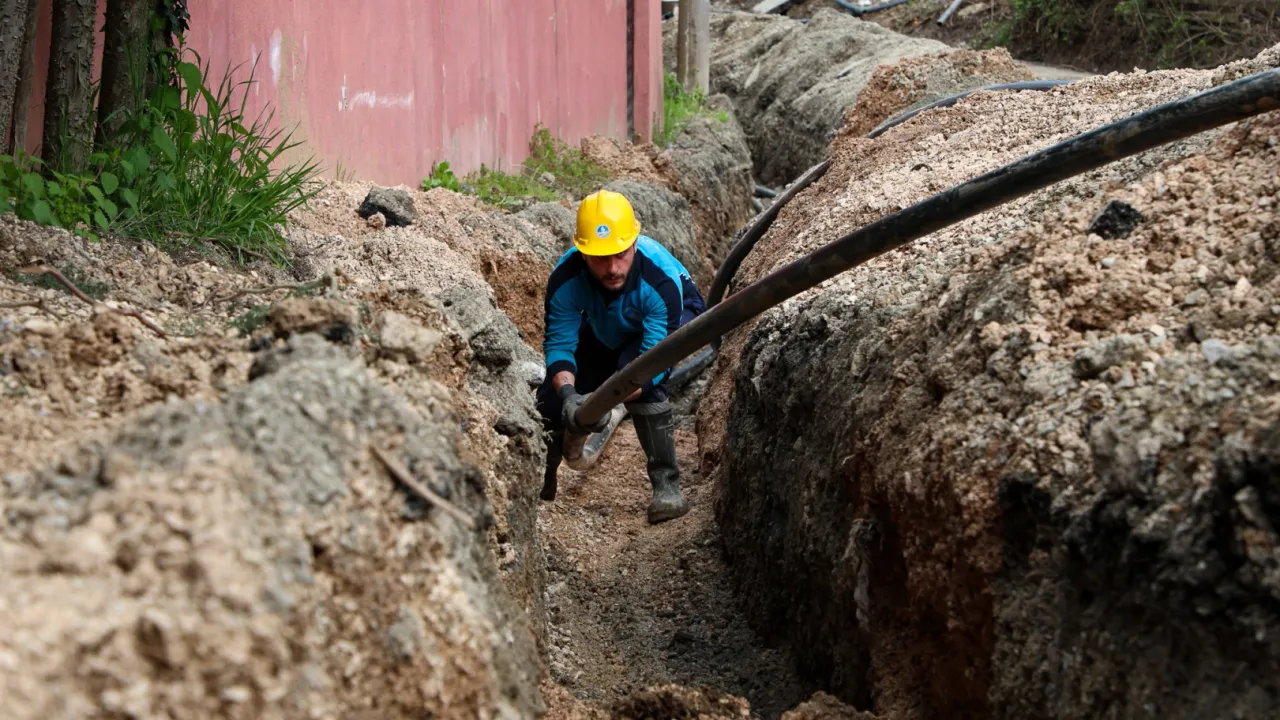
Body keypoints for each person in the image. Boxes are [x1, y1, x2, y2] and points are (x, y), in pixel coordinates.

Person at [537, 189, 705, 524]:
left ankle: (666, 485)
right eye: (600, 258)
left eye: (620, 254)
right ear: (582, 253)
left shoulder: (659, 280)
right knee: (549, 399)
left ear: (634, 244)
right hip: (610, 319)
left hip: (673, 318)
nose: (613, 268)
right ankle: (542, 473)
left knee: (638, 375)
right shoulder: (566, 279)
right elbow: (560, 344)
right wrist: (569, 396)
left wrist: (602, 402)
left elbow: (653, 363)